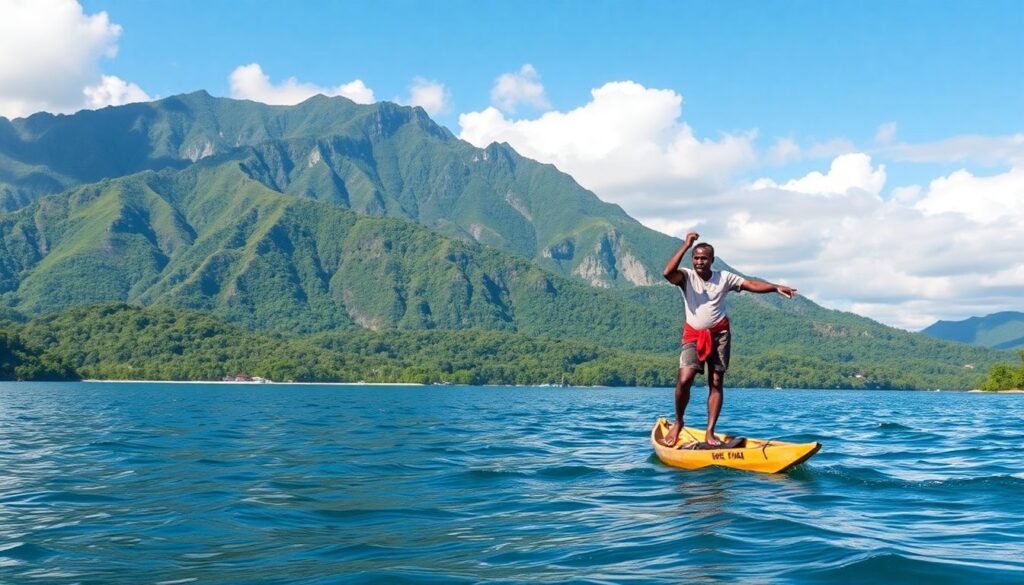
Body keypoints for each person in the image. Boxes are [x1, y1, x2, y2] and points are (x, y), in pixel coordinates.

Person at [660, 232, 797, 447]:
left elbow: (751, 284)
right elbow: (668, 273)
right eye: (696, 258)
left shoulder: (724, 277)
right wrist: (687, 245)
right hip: (693, 334)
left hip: (720, 335)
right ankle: (678, 423)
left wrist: (775, 287)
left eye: (704, 258)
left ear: (712, 260)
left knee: (715, 382)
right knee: (684, 379)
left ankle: (710, 432)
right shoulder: (686, 276)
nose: (699, 262)